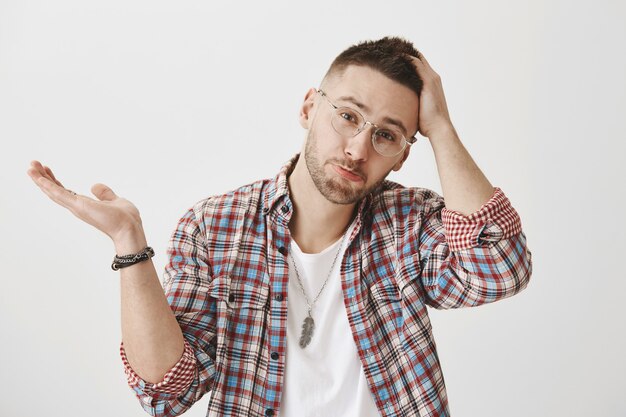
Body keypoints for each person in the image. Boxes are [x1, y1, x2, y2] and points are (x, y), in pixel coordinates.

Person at [27, 36, 532, 417]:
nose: (358, 148)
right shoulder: (213, 227)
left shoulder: (411, 223)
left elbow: (500, 270)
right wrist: (129, 243)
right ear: (310, 107)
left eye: (386, 135)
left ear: (402, 156)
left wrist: (440, 127)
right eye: (348, 116)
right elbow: (167, 391)